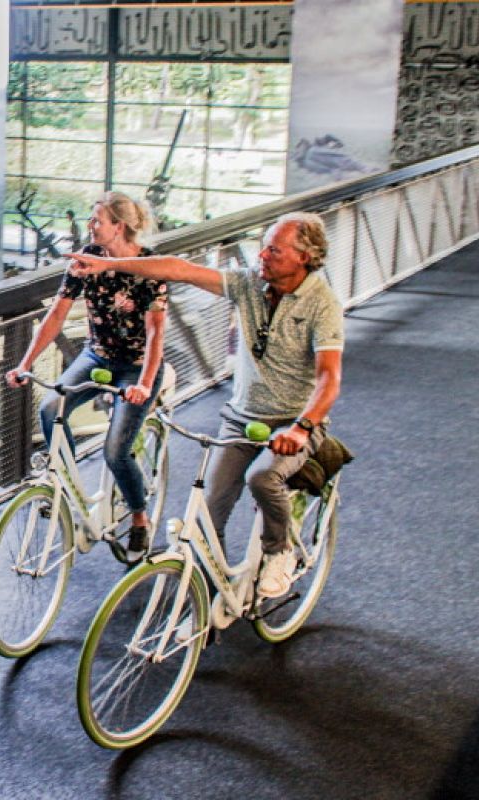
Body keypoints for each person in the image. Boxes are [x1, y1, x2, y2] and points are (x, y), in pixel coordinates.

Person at [69, 211, 343, 598]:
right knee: (206, 518)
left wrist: (301, 428)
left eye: (274, 250)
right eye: (262, 246)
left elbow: (330, 379)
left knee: (262, 478)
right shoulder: (249, 285)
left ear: (304, 257)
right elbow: (178, 269)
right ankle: (205, 600)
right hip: (240, 419)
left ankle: (280, 551)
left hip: (291, 424)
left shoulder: (321, 303)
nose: (261, 255)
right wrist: (109, 264)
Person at [5, 192, 169, 561]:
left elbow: (156, 332)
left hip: (136, 365)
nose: (91, 225)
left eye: (97, 220)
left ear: (119, 227)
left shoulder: (149, 268)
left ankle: (140, 518)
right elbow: (57, 315)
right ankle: (65, 484)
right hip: (97, 355)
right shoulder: (84, 259)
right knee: (50, 409)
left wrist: (144, 383)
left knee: (116, 451)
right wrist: (25, 362)